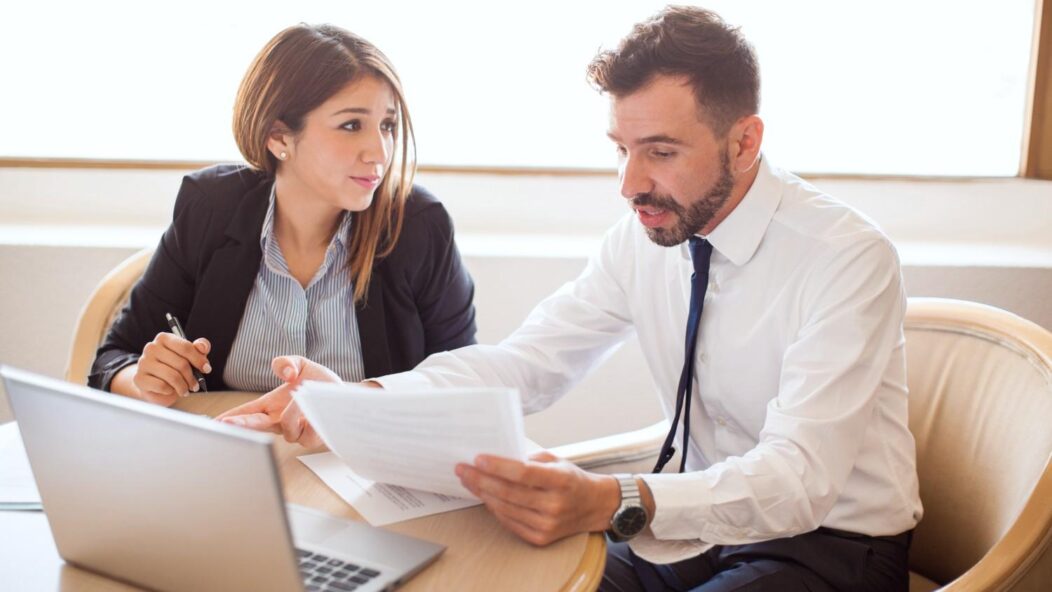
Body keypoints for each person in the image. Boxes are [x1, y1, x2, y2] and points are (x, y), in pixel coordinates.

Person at [222, 7, 922, 590]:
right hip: (693, 529)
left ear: (745, 143)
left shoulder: (845, 257)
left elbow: (799, 479)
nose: (629, 184)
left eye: (661, 152)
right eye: (621, 149)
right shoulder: (643, 238)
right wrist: (359, 399)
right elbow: (527, 364)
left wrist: (614, 499)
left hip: (830, 547)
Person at [88, 24, 477, 415]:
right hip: (230, 447)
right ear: (278, 137)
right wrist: (146, 381)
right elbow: (112, 359)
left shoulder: (420, 227)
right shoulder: (210, 207)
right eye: (351, 125)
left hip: (363, 452)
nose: (379, 152)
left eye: (387, 126)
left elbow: (465, 386)